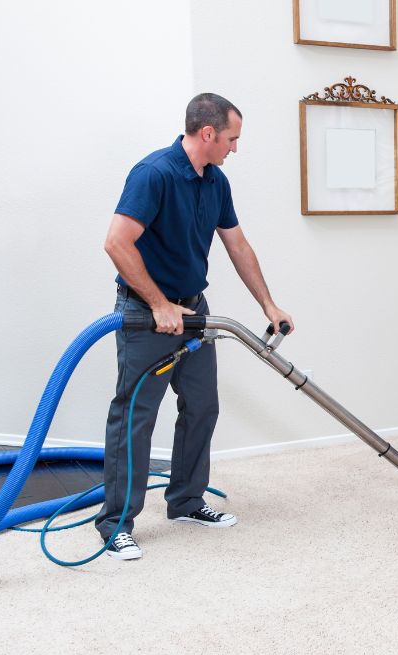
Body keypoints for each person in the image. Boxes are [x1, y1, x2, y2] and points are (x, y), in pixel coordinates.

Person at [95, 93, 293, 560]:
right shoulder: (154, 174)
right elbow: (116, 243)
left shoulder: (216, 181)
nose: (234, 148)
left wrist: (268, 304)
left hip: (195, 312)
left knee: (202, 406)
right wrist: (159, 303)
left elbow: (237, 245)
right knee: (135, 418)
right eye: (232, 138)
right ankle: (115, 523)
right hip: (148, 316)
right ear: (208, 134)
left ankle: (185, 501)